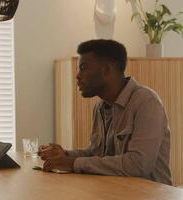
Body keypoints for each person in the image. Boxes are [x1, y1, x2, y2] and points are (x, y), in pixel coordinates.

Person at [38, 39, 172, 185]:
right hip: (116, 192)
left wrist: (73, 163)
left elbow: (139, 164)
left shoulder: (146, 102)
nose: (77, 75)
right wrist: (65, 154)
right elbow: (96, 154)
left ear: (106, 70)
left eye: (83, 67)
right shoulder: (100, 107)